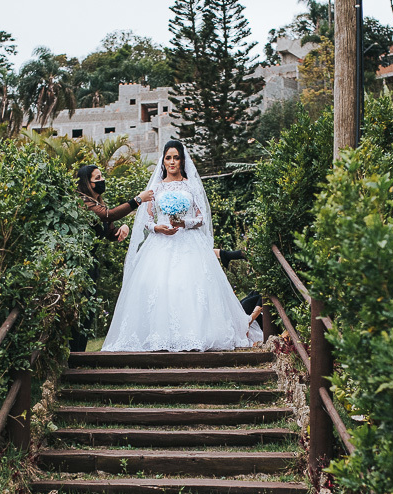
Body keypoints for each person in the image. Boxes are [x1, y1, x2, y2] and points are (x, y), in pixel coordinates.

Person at [102, 140, 262, 352]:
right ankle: (159, 336)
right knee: (158, 286)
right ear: (163, 161)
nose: (172, 162)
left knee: (188, 286)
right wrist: (158, 228)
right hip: (159, 244)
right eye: (168, 157)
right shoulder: (155, 188)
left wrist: (183, 223)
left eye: (176, 157)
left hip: (188, 242)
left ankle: (193, 335)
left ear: (182, 160)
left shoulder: (191, 186)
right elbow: (147, 220)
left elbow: (201, 218)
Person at [70, 164, 154, 352]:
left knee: (88, 308)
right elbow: (108, 215)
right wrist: (137, 200)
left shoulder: (98, 202)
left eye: (102, 177)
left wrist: (120, 230)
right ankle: (73, 353)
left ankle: (79, 353)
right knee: (79, 308)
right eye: (97, 178)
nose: (101, 181)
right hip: (79, 264)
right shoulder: (82, 201)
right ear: (87, 183)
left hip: (92, 263)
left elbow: (109, 231)